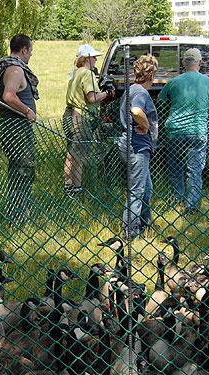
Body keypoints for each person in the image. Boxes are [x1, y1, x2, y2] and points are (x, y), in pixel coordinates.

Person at [0, 34, 39, 222]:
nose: (31, 55)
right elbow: (8, 96)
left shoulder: (9, 67)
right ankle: (18, 216)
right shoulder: (15, 70)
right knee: (22, 172)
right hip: (17, 129)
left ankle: (20, 213)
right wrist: (27, 111)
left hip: (14, 128)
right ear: (24, 50)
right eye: (30, 51)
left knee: (19, 171)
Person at [158, 48, 209, 215]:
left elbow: (161, 101)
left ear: (184, 63)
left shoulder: (174, 82)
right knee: (195, 170)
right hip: (198, 131)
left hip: (175, 131)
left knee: (175, 167)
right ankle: (191, 206)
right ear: (199, 63)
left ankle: (177, 199)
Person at [63, 44, 113, 198]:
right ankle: (76, 189)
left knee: (71, 152)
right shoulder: (87, 74)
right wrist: (107, 93)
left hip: (69, 114)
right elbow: (92, 98)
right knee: (79, 154)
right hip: (81, 116)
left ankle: (68, 185)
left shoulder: (75, 73)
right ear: (85, 59)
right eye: (93, 57)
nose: (96, 59)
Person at [118, 54, 159, 239]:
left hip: (132, 145)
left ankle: (145, 225)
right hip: (137, 146)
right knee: (137, 190)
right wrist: (145, 125)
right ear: (151, 75)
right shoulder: (141, 93)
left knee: (146, 188)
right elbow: (136, 111)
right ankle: (130, 231)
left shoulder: (131, 89)